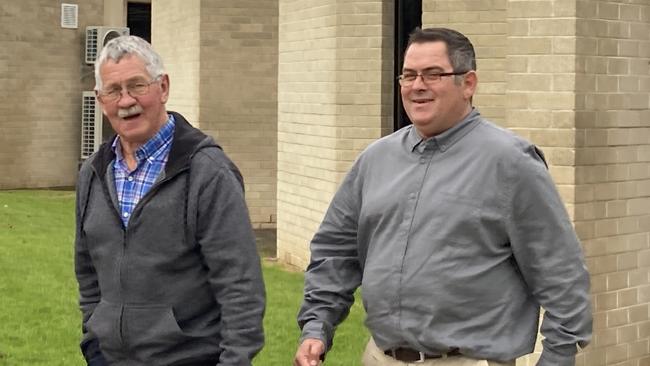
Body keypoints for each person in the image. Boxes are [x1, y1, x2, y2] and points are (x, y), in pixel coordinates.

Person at [294, 28, 591, 366]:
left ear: (468, 83)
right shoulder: (375, 160)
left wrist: (558, 357)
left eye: (433, 74)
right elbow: (336, 251)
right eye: (408, 75)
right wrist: (317, 327)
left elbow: (561, 271)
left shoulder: (511, 163)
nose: (417, 86)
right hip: (380, 357)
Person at [74, 35, 265, 366]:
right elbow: (88, 272)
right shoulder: (93, 174)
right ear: (100, 101)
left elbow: (240, 286)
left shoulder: (208, 173)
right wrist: (94, 343)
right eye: (113, 91)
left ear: (163, 87)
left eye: (137, 86)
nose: (126, 101)